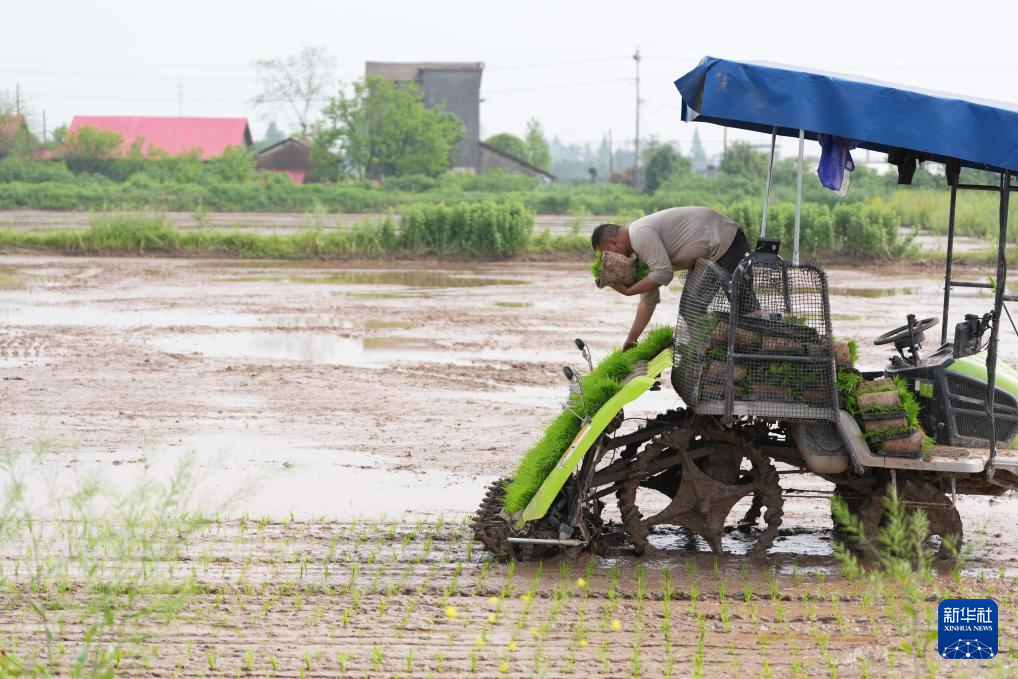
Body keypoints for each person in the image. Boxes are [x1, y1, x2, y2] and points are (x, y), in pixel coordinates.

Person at [591, 206, 753, 349]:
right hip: (707, 258)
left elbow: (663, 273)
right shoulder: (639, 254)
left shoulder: (638, 234)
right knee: (690, 308)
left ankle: (751, 350)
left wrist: (629, 291)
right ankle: (707, 353)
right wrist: (631, 339)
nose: (611, 261)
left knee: (746, 307)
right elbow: (648, 301)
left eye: (607, 255)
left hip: (725, 241)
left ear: (613, 244)